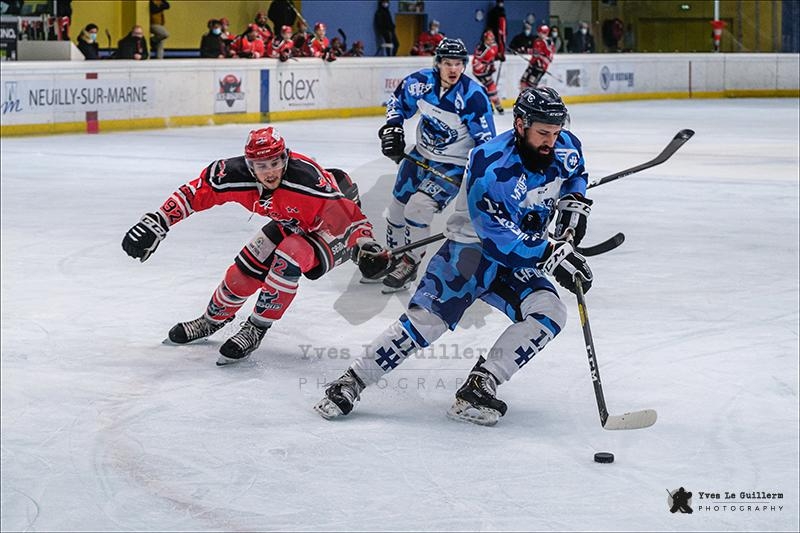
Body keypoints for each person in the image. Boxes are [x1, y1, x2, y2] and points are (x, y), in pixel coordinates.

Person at [314, 87, 594, 426]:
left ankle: (480, 385)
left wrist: (572, 206)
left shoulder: (564, 145)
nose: (552, 140)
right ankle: (352, 381)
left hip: (515, 257)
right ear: (520, 125)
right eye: (543, 133)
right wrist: (549, 252)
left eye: (556, 131)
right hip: (471, 254)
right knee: (425, 325)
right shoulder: (489, 164)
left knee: (548, 311)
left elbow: (574, 173)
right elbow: (496, 235)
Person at [121, 128, 386, 366]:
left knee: (290, 253)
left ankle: (256, 328)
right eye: (261, 165)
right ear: (249, 166)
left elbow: (346, 216)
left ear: (285, 159)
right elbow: (196, 192)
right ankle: (211, 320)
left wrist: (365, 245)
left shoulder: (306, 181)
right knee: (242, 275)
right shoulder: (232, 174)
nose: (270, 171)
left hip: (329, 230)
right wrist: (159, 221)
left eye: (275, 163)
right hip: (291, 220)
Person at [371, 38, 496, 293]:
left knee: (417, 208)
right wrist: (393, 126)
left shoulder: (473, 96)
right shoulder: (420, 83)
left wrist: (482, 176)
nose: (453, 69)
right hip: (420, 156)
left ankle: (410, 262)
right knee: (396, 210)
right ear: (438, 63)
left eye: (459, 64)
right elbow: (397, 102)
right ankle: (395, 255)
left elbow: (486, 142)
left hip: (453, 165)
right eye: (448, 63)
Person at [471, 30, 504, 115]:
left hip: (488, 70)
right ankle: (496, 106)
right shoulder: (481, 48)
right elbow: (477, 60)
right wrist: (483, 68)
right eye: (489, 39)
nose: (491, 41)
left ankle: (490, 105)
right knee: (491, 87)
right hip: (480, 71)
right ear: (484, 39)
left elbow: (493, 56)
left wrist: (499, 57)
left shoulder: (494, 46)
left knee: (489, 88)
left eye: (492, 39)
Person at [519, 24, 555, 91]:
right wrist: (523, 50)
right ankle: (523, 98)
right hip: (532, 65)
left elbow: (549, 58)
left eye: (542, 32)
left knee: (531, 85)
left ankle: (531, 99)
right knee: (523, 81)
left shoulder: (548, 42)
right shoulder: (537, 41)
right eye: (539, 32)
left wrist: (542, 61)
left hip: (540, 68)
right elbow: (534, 52)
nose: (540, 33)